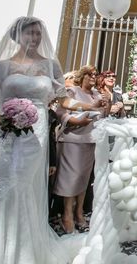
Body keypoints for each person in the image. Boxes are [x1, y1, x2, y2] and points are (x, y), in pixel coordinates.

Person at [0, 17, 82, 263]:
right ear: (17, 36)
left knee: (21, 185)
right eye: (29, 34)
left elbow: (63, 100)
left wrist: (89, 105)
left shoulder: (50, 65)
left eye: (37, 34)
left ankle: (21, 253)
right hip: (0, 131)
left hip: (35, 132)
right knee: (0, 186)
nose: (34, 39)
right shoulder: (2, 67)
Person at [54, 65, 107, 233]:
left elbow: (103, 115)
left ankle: (79, 212)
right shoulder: (72, 92)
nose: (93, 76)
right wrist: (75, 121)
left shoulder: (97, 94)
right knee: (71, 178)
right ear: (82, 76)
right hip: (73, 138)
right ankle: (67, 214)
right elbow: (60, 112)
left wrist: (108, 103)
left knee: (83, 179)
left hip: (91, 140)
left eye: (95, 74)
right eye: (90, 74)